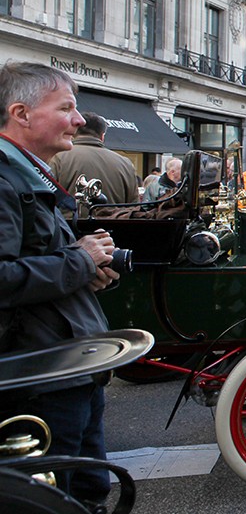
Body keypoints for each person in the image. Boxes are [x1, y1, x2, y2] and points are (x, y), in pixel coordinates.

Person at [0, 62, 120, 509]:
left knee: (86, 489)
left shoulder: (24, 172)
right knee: (57, 496)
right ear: (22, 114)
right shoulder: (6, 179)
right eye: (66, 108)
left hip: (65, 365)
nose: (79, 119)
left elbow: (34, 261)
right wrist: (79, 261)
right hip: (38, 373)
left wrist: (86, 272)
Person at [50, 111, 139, 207]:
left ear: (72, 133)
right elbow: (134, 207)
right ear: (102, 136)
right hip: (113, 216)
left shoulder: (57, 157)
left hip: (67, 216)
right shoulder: (125, 164)